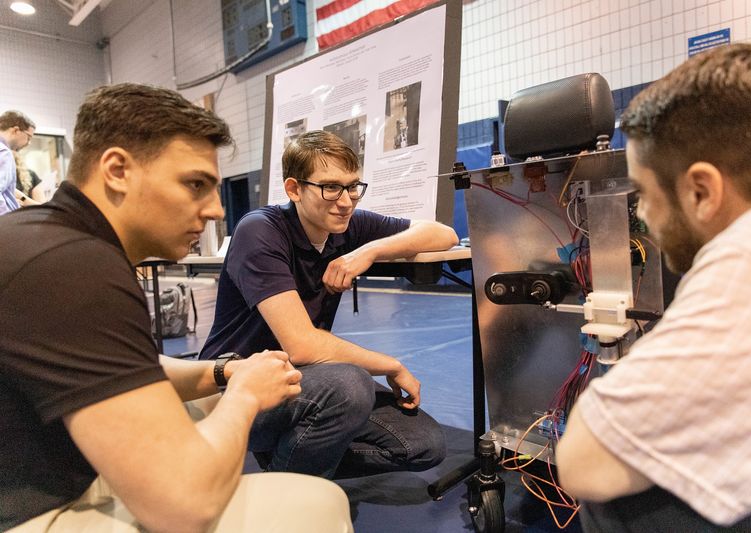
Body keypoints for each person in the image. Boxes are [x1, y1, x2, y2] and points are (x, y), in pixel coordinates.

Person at [0, 84, 353, 532]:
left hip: (42, 465)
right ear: (117, 170)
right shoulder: (75, 267)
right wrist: (244, 397)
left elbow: (129, 366)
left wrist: (225, 374)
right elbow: (184, 507)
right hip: (28, 511)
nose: (215, 211)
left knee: (242, 401)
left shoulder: (46, 236)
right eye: (195, 185)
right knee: (317, 503)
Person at [555, 43, 751, 531]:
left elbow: (583, 460)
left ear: (701, 191)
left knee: (621, 494)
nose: (641, 213)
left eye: (644, 193)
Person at [199, 130, 458, 478]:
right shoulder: (260, 231)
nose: (346, 200)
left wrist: (369, 250)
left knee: (423, 443)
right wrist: (391, 366)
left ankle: (289, 460)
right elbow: (303, 345)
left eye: (353, 186)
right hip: (235, 388)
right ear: (294, 189)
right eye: (330, 187)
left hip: (301, 382)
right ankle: (288, 495)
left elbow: (444, 234)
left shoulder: (345, 225)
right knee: (350, 386)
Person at [0, 110, 35, 215]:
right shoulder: (4, 152)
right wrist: (7, 222)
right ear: (16, 130)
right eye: (28, 137)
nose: (28, 143)